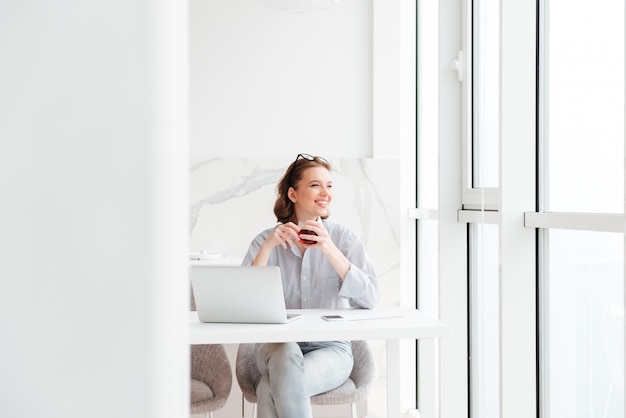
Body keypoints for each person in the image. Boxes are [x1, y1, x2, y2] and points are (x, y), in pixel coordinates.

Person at [241, 153, 379, 418]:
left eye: (329, 185)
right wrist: (269, 246)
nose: (325, 192)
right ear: (293, 194)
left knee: (270, 388)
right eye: (315, 185)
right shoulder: (264, 241)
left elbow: (371, 297)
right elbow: (243, 302)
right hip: (275, 347)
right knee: (284, 352)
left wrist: (329, 250)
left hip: (331, 349)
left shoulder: (343, 239)